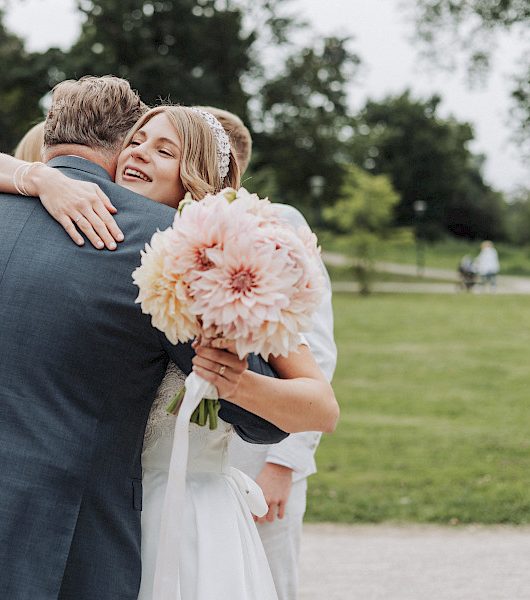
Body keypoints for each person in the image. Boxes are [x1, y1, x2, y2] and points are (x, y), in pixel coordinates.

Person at [0, 77, 334, 600]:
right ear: (116, 147)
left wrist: (232, 376)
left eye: (164, 149)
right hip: (60, 520)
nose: (140, 155)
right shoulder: (154, 242)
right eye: (137, 141)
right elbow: (260, 424)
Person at [197, 106, 338, 600]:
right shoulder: (181, 229)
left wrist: (283, 463)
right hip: (198, 455)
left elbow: (314, 346)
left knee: (270, 582)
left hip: (265, 454)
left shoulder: (279, 227)